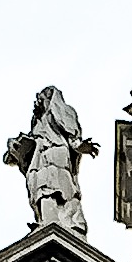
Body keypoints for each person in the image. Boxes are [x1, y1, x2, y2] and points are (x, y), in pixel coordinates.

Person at [6, 85, 97, 231]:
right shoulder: (37, 123)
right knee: (40, 188)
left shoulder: (61, 112)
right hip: (39, 158)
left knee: (58, 186)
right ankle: (46, 220)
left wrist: (81, 146)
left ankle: (70, 221)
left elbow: (73, 137)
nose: (37, 102)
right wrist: (15, 148)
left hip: (56, 152)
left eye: (41, 98)